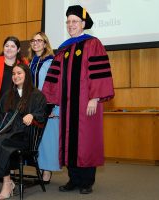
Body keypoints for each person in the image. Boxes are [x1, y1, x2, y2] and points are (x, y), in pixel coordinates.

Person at [42, 5, 115, 194]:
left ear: (83, 24)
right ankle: (73, 179)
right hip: (67, 105)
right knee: (69, 140)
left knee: (86, 140)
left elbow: (99, 73)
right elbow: (54, 77)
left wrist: (95, 97)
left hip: (86, 102)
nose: (70, 25)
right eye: (68, 22)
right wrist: (50, 100)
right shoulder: (64, 48)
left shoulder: (93, 44)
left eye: (74, 21)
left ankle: (86, 182)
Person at [0, 63, 47, 199]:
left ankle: (7, 183)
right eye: (13, 74)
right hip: (6, 133)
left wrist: (32, 115)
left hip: (23, 136)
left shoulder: (37, 95)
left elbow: (41, 114)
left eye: (19, 73)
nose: (15, 76)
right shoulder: (8, 95)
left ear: (27, 75)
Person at [28, 32, 60, 184]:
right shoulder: (30, 62)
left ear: (45, 43)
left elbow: (56, 86)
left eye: (39, 41)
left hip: (49, 106)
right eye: (33, 41)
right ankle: (40, 168)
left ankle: (47, 170)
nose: (36, 43)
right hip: (33, 107)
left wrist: (54, 108)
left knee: (48, 139)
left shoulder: (52, 62)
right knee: (36, 140)